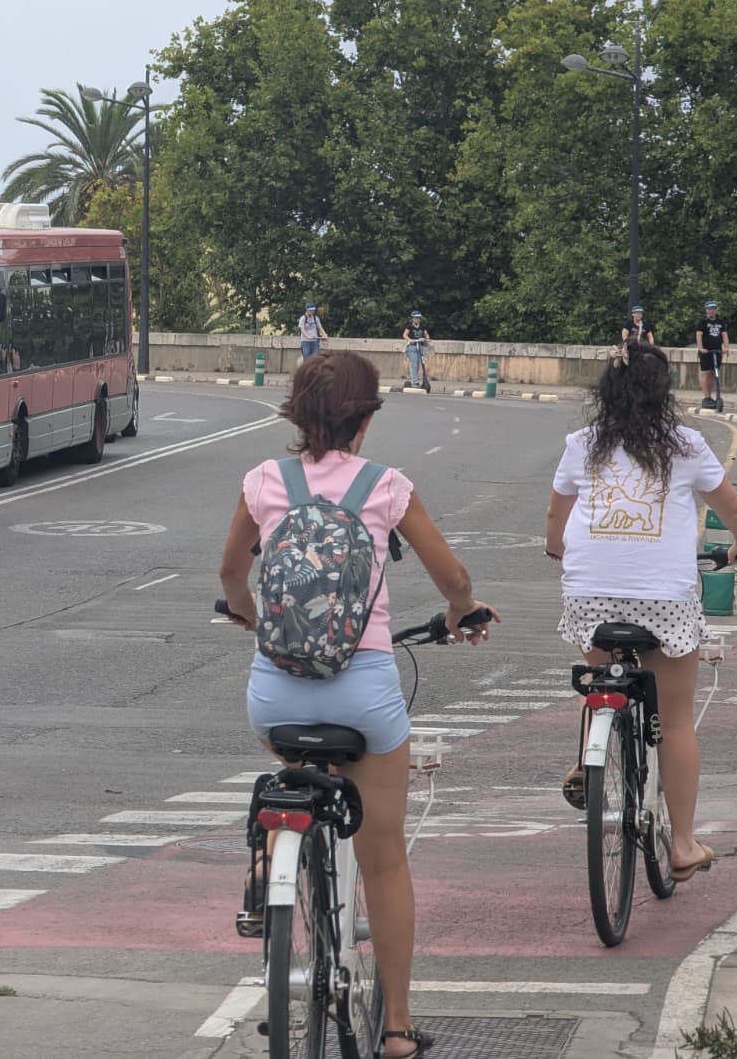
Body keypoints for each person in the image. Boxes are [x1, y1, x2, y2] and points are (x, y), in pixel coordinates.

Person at [218, 351, 497, 1059]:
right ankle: (397, 1028)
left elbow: (229, 571)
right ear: (366, 417)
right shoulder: (386, 487)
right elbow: (452, 575)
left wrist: (248, 613)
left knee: (289, 758)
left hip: (275, 691)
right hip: (366, 691)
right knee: (384, 860)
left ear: (295, 412)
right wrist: (463, 609)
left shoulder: (264, 481)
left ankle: (273, 849)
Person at [545, 341, 737, 884]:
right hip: (665, 599)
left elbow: (557, 513)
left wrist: (558, 550)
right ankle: (682, 843)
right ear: (665, 394)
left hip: (590, 594)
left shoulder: (582, 443)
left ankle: (588, 758)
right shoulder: (686, 444)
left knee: (598, 678)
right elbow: (731, 509)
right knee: (676, 720)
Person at [696, 301, 726, 410]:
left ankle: (712, 396)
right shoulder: (703, 322)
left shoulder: (720, 322)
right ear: (706, 310)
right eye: (709, 309)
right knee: (705, 373)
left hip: (717, 351)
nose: (711, 310)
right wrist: (701, 348)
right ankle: (706, 397)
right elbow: (699, 335)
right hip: (706, 352)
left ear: (716, 310)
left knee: (714, 374)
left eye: (713, 308)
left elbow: (724, 334)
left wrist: (726, 347)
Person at [401, 311, 430, 389]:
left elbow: (426, 334)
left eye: (419, 318)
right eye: (416, 318)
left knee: (420, 364)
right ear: (413, 319)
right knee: (414, 364)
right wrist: (410, 340)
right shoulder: (409, 327)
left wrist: (427, 339)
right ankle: (415, 381)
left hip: (420, 346)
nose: (417, 320)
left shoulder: (422, 327)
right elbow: (404, 335)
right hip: (412, 347)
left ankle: (417, 380)